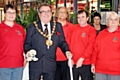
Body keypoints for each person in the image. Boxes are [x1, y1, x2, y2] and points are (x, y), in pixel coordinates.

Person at [24, 3, 72, 80]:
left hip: (50, 64)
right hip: (36, 64)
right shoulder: (32, 27)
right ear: (39, 14)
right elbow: (27, 44)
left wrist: (67, 51)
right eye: (43, 11)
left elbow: (62, 42)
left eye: (48, 11)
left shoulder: (57, 26)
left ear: (51, 13)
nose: (46, 14)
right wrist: (28, 52)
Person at [91, 11, 120, 80]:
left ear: (118, 22)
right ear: (107, 22)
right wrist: (93, 63)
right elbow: (95, 50)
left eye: (115, 19)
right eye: (111, 19)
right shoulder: (101, 34)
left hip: (116, 71)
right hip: (100, 70)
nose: (113, 21)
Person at [0, 4, 25, 80]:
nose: (11, 15)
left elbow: (25, 45)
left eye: (13, 12)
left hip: (19, 65)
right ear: (5, 14)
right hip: (4, 65)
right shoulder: (0, 28)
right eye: (9, 12)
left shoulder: (20, 28)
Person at [70, 10, 96, 80]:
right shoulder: (73, 28)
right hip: (73, 63)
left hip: (86, 63)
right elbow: (69, 43)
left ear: (87, 18)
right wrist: (70, 58)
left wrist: (82, 58)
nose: (80, 19)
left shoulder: (91, 30)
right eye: (78, 17)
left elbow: (91, 45)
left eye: (82, 17)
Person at [55, 6, 73, 80]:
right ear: (57, 14)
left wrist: (72, 58)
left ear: (67, 15)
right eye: (60, 12)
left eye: (64, 12)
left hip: (67, 59)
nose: (62, 14)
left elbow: (73, 43)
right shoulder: (52, 26)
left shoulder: (72, 27)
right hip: (53, 60)